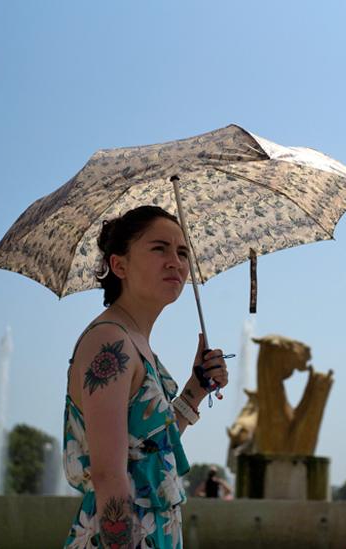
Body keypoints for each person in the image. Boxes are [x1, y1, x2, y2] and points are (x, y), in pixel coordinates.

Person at [62, 206, 229, 549]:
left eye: (183, 252)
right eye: (159, 248)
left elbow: (150, 451)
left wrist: (194, 391)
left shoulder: (135, 342)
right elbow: (109, 473)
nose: (176, 261)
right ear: (118, 265)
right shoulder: (110, 341)